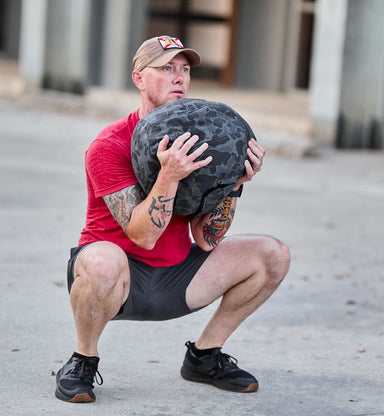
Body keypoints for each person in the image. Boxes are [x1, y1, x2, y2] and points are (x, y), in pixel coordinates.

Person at [55, 35, 290, 403]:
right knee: (102, 260)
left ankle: (204, 357)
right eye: (166, 68)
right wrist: (168, 177)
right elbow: (142, 235)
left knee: (273, 255)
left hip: (176, 280)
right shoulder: (110, 145)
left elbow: (207, 239)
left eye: (184, 69)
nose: (179, 77)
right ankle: (83, 359)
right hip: (116, 281)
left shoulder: (200, 139)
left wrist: (235, 184)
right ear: (138, 79)